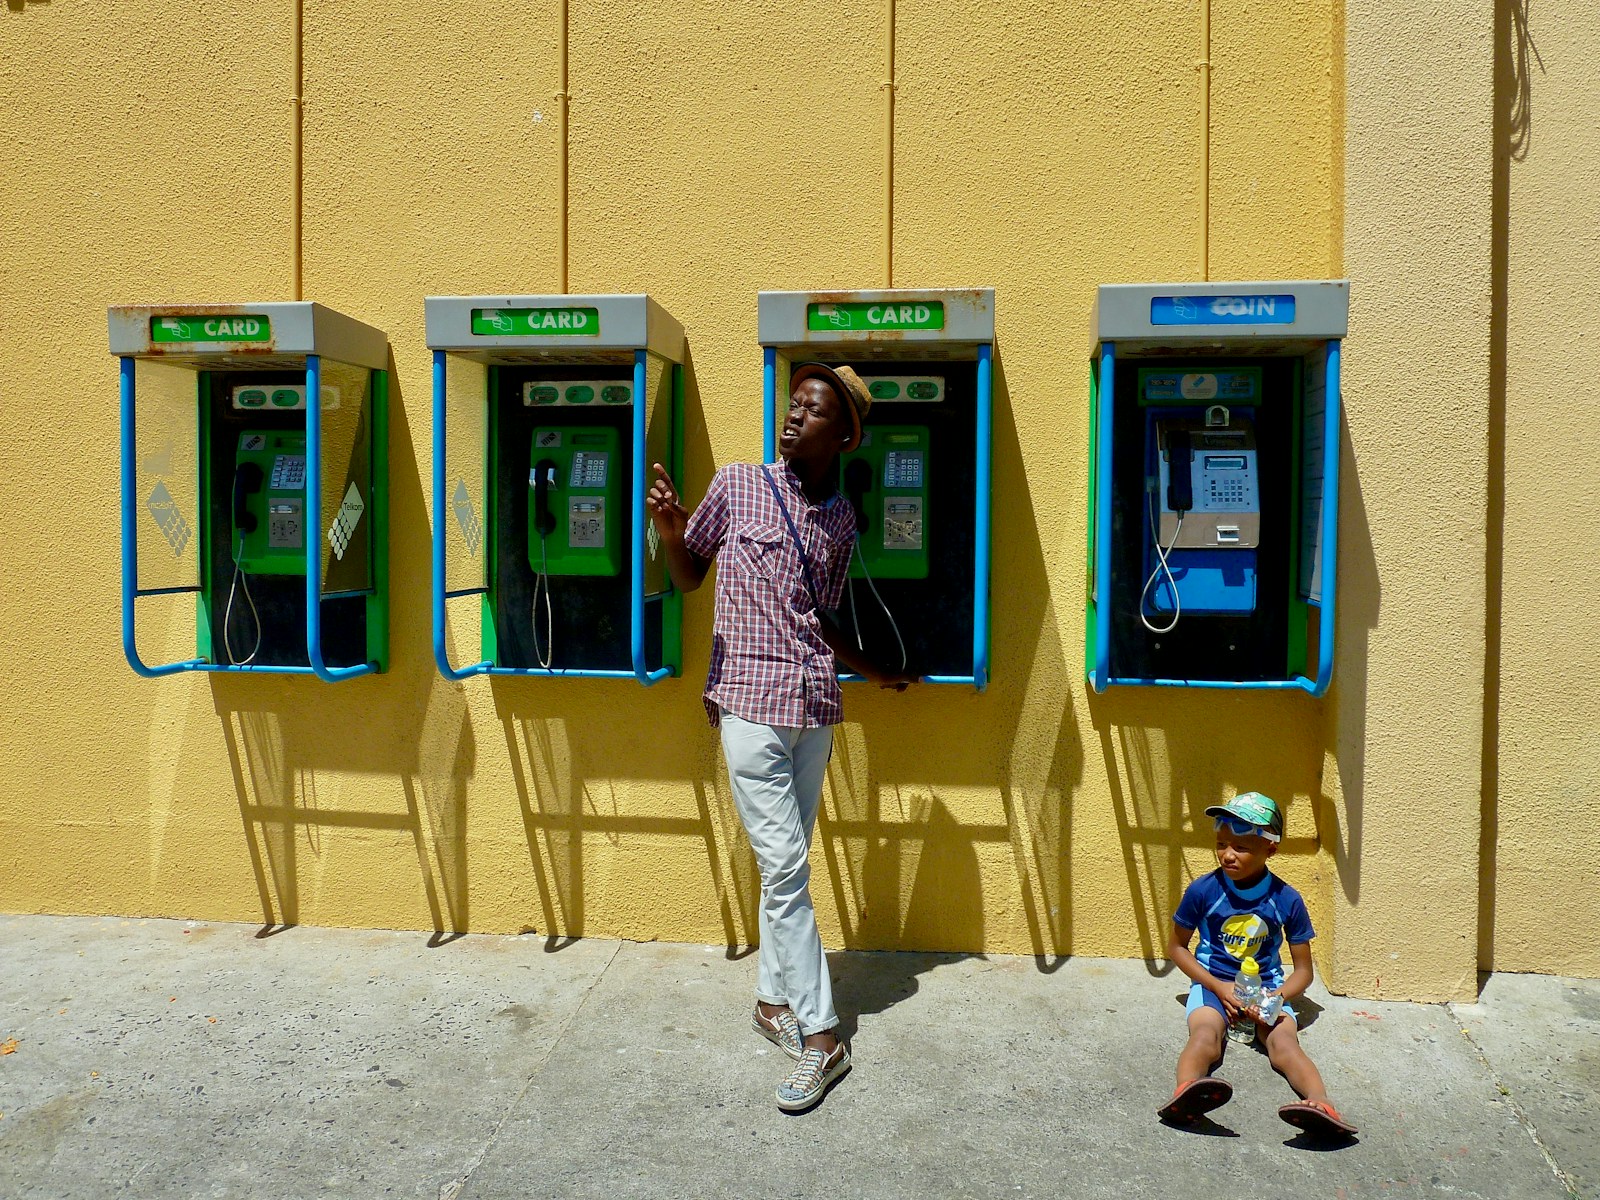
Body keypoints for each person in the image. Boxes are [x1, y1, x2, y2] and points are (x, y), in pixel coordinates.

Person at [646, 362, 913, 1112]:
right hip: (748, 703)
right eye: (793, 404)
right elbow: (691, 575)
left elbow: (823, 621)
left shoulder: (842, 519)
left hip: (815, 706)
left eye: (812, 410)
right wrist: (671, 529)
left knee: (782, 866)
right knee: (789, 868)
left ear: (845, 435)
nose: (793, 417)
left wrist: (881, 672)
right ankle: (824, 1038)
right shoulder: (735, 484)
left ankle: (772, 1002)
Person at [1159, 791, 1358, 1138]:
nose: (1227, 855)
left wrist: (1275, 998)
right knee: (1205, 1034)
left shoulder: (1286, 899)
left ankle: (1321, 1104)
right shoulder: (1203, 890)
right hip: (1213, 984)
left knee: (1285, 1045)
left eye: (1241, 848)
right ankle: (1187, 1092)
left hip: (1267, 990)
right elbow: (1177, 947)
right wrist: (1217, 988)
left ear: (1271, 849)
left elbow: (1304, 972)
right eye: (1221, 844)